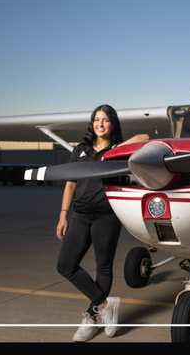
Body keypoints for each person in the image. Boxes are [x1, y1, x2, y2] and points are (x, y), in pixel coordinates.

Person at [56, 104, 149, 342]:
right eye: (96, 119)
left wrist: (119, 145)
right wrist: (63, 214)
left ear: (112, 124)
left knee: (103, 267)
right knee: (65, 265)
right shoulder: (80, 150)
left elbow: (145, 138)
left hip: (107, 215)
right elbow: (70, 184)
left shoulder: (118, 151)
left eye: (105, 120)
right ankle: (106, 305)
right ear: (91, 124)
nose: (100, 123)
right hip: (81, 214)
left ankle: (90, 318)